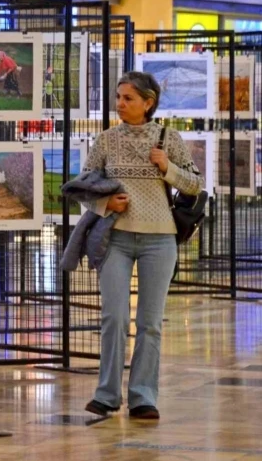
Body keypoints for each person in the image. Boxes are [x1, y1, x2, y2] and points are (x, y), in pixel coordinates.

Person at [81, 71, 204, 420]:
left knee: (150, 322)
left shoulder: (170, 138)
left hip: (160, 241)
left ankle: (143, 396)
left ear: (148, 103)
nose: (120, 104)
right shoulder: (105, 140)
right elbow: (84, 188)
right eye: (118, 97)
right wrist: (107, 206)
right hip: (114, 239)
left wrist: (167, 169)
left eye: (128, 98)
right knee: (114, 317)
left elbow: (196, 185)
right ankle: (106, 395)